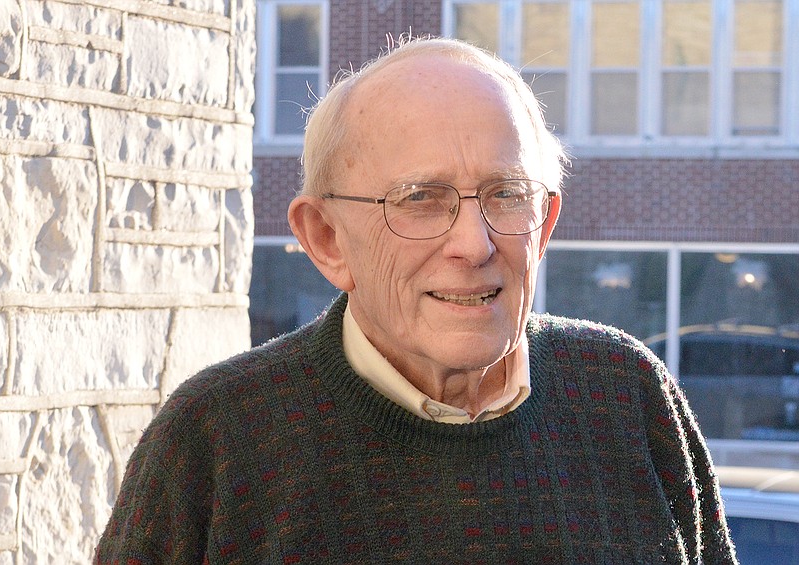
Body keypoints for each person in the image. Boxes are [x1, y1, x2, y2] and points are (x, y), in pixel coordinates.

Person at [95, 36, 738, 564]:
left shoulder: (625, 395)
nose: (473, 243)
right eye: (420, 199)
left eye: (507, 193)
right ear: (326, 240)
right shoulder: (215, 440)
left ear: (543, 227)